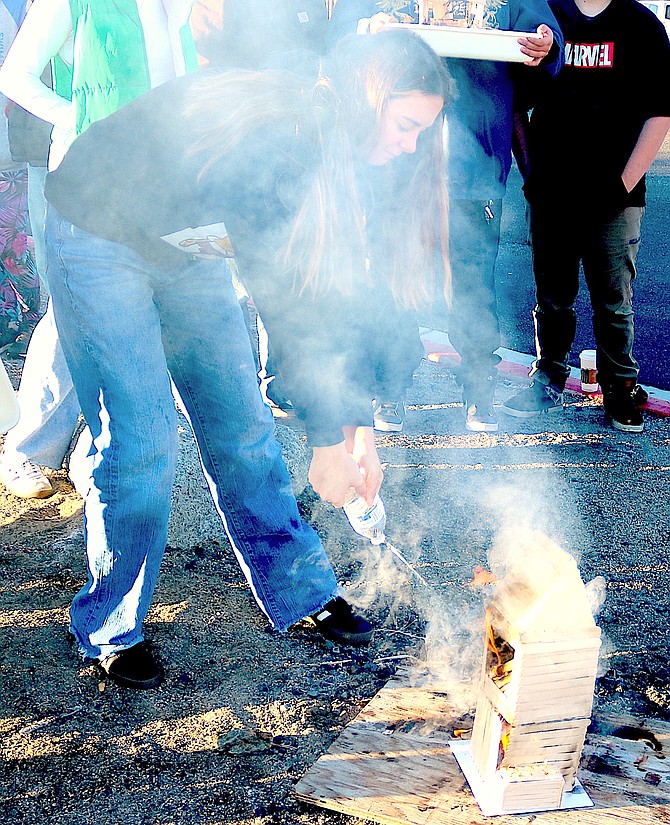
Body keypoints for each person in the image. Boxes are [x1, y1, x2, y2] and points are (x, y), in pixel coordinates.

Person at [41, 29, 451, 688]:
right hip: (101, 227)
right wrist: (324, 442)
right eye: (405, 125)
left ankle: (300, 591)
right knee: (143, 438)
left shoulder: (339, 146)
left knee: (242, 425)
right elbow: (287, 299)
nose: (409, 145)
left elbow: (333, 297)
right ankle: (109, 625)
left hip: (191, 238)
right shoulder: (287, 135)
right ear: (365, 96)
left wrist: (358, 428)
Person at [330, 0, 563, 434]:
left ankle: (479, 394)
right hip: (398, 158)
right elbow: (344, 29)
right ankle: (391, 388)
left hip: (475, 165)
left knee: (473, 286)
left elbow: (548, 42)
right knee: (390, 274)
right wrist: (367, 26)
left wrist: (547, 47)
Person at [0, 0, 199, 499]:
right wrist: (79, 120)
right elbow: (15, 76)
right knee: (72, 310)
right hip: (85, 182)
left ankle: (96, 454)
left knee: (133, 314)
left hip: (163, 180)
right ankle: (28, 450)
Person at [501, 0, 670, 432]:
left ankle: (620, 387)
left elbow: (659, 112)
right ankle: (550, 377)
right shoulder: (548, 15)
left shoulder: (641, 24)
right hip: (552, 191)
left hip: (616, 194)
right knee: (553, 299)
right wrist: (530, 173)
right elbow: (516, 101)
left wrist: (623, 185)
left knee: (614, 302)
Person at [0, 0, 40, 360]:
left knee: (15, 244)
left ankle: (22, 324)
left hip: (9, 153)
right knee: (16, 244)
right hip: (11, 151)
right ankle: (19, 324)